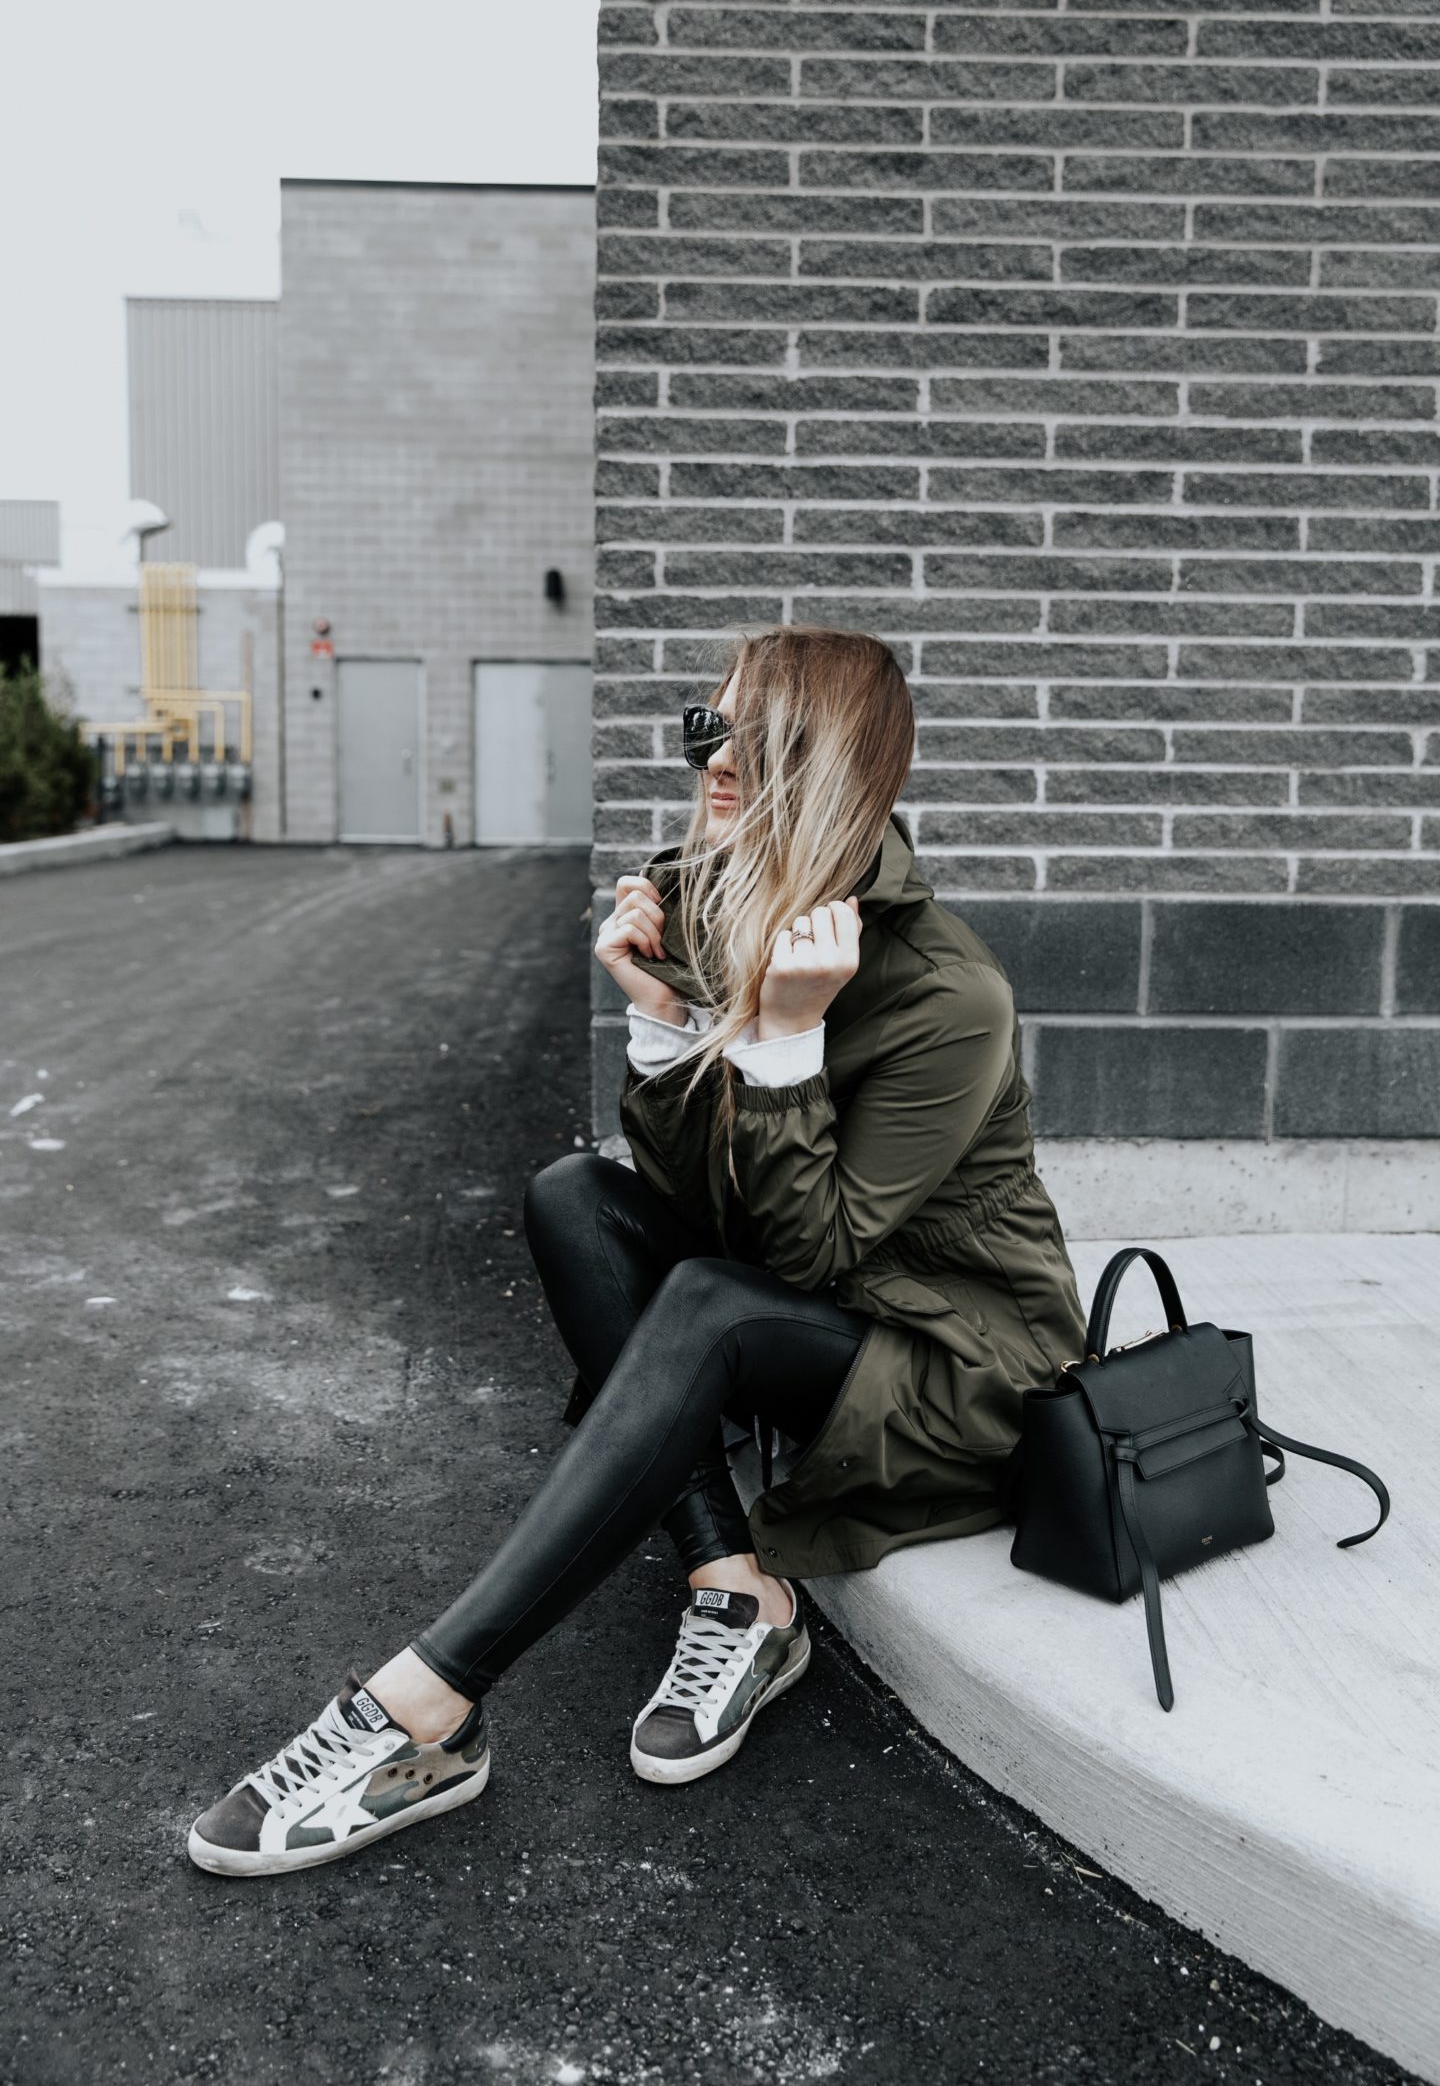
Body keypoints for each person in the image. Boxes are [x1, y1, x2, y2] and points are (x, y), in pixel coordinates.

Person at [186, 624, 1089, 1878]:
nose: (714, 761)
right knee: (573, 1195)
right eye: (703, 726)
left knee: (717, 1303)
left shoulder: (947, 994)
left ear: (841, 764)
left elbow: (810, 1256)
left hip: (955, 1354)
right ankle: (740, 1590)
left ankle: (422, 1709)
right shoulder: (713, 901)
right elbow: (687, 1201)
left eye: (755, 736)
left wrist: (780, 1040)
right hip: (811, 1293)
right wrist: (665, 1024)